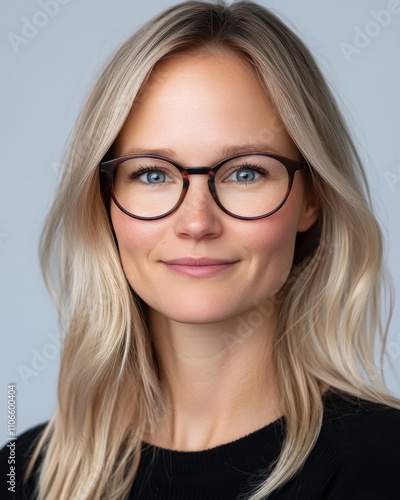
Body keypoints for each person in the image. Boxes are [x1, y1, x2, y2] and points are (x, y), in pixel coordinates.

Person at [1, 1, 400, 499]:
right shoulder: (21, 476)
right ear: (105, 201)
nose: (196, 222)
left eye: (245, 173)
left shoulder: (386, 464)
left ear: (311, 199)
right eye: (152, 174)